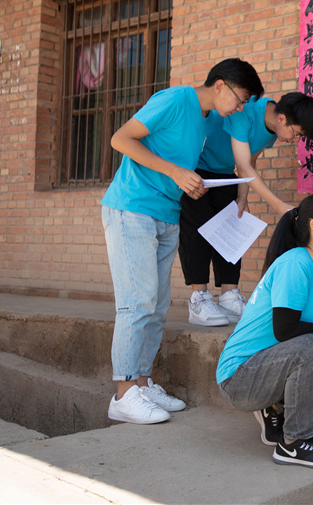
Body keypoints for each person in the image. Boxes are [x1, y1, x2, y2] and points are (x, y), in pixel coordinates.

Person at [102, 58, 264, 425]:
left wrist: (189, 183)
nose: (239, 108)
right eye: (240, 99)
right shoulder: (175, 100)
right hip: (131, 208)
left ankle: (142, 384)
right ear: (220, 84)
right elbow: (120, 138)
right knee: (137, 302)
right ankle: (123, 394)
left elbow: (179, 163)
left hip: (165, 213)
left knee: (157, 304)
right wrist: (176, 171)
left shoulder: (208, 120)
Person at [216, 192, 313, 468]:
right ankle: (293, 443)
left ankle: (276, 408)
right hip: (239, 377)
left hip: (271, 367)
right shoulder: (296, 263)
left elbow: (312, 326)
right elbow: (286, 330)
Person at [180, 92, 313, 327]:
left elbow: (250, 161)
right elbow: (245, 166)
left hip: (225, 174)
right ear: (283, 118)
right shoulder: (245, 111)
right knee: (197, 232)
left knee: (230, 231)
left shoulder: (271, 131)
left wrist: (242, 196)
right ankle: (199, 299)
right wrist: (279, 206)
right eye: (296, 134)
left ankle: (228, 296)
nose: (294, 140)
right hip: (196, 169)